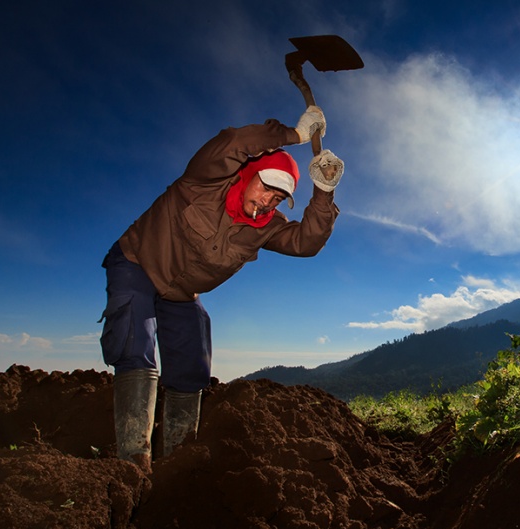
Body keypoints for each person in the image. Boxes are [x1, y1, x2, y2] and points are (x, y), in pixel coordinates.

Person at [99, 105, 342, 470]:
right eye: (266, 189)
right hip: (139, 262)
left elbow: (306, 243)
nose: (267, 201)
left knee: (192, 363)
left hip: (181, 292)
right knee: (134, 338)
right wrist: (295, 135)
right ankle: (133, 462)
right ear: (249, 175)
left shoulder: (266, 227)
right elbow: (233, 141)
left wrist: (323, 190)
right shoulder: (206, 180)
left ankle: (177, 461)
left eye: (278, 199)